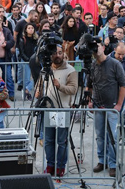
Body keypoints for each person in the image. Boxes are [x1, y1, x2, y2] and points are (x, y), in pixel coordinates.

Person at [86, 38, 125, 178]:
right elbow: (89, 85)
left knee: (113, 137)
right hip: (98, 106)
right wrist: (89, 101)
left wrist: (119, 105)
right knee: (100, 136)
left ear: (103, 47)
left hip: (112, 107)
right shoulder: (92, 65)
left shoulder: (115, 64)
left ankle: (113, 164)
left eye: (97, 46)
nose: (95, 49)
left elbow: (123, 85)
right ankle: (102, 160)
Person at [35, 45, 78, 177]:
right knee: (48, 140)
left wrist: (60, 86)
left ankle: (60, 166)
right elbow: (39, 86)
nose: (57, 55)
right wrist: (38, 91)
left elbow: (73, 89)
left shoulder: (71, 70)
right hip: (48, 109)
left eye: (60, 53)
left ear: (63, 53)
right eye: (54, 53)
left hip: (62, 109)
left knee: (61, 141)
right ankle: (50, 165)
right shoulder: (45, 70)